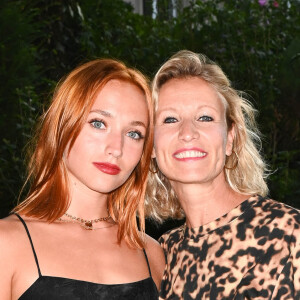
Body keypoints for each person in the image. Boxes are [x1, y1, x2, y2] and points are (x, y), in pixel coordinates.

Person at [0, 58, 165, 299]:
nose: (116, 148)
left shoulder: (152, 254)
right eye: (98, 123)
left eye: (133, 133)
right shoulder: (7, 243)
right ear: (62, 126)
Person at [145, 50, 300, 299]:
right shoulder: (163, 253)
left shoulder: (289, 233)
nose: (187, 132)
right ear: (150, 146)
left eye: (205, 117)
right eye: (170, 119)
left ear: (230, 138)